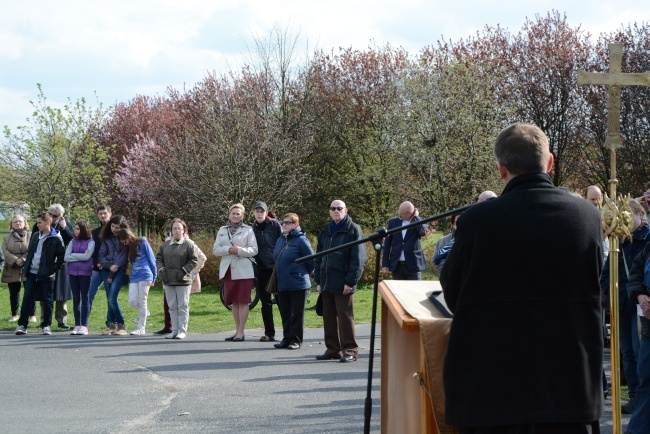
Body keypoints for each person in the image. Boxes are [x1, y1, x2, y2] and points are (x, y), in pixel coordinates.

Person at [440, 123, 603, 432]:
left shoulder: (476, 219)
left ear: (501, 169)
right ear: (550, 162)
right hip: (568, 385)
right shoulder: (587, 216)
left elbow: (453, 292)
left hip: (493, 388)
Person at [601, 199, 650, 414]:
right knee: (627, 353)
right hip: (622, 304)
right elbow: (606, 273)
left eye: (630, 216)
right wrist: (609, 294)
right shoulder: (618, 242)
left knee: (641, 354)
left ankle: (643, 397)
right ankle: (633, 396)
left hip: (639, 306)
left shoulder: (646, 239)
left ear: (641, 215)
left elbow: (640, 272)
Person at [314, 200, 366, 363]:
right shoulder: (326, 230)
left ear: (346, 211)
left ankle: (350, 350)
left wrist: (350, 282)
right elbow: (318, 256)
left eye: (339, 208)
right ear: (329, 211)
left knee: (345, 316)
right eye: (333, 208)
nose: (336, 211)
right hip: (327, 281)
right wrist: (319, 280)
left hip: (343, 281)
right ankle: (333, 349)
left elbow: (358, 259)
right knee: (328, 316)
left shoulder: (353, 229)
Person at [213, 204, 258, 342]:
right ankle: (236, 330)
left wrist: (239, 250)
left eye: (238, 213)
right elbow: (216, 250)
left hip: (244, 269)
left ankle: (241, 332)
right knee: (233, 302)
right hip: (228, 269)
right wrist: (229, 249)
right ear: (229, 214)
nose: (235, 215)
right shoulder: (222, 230)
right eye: (233, 213)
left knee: (243, 301)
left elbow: (254, 250)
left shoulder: (248, 230)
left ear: (243, 216)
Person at [15, 212, 65, 335]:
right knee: (27, 299)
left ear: (48, 222)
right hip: (31, 273)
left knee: (47, 300)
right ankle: (22, 325)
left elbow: (61, 259)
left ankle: (46, 325)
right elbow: (31, 252)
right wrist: (27, 266)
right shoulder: (36, 235)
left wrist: (50, 270)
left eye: (39, 223)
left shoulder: (56, 238)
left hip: (46, 275)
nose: (37, 225)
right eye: (37, 222)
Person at [272, 213, 315, 350]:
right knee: (285, 312)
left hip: (298, 283)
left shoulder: (301, 240)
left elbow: (311, 261)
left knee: (297, 314)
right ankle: (286, 338)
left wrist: (300, 273)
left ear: (295, 225)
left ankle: (296, 340)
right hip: (282, 282)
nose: (284, 224)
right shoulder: (280, 239)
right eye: (282, 222)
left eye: (288, 222)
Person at [153, 233, 205, 335]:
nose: (176, 231)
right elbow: (159, 258)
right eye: (174, 229)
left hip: (183, 279)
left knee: (182, 304)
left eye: (179, 228)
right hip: (169, 279)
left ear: (183, 231)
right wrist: (162, 271)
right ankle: (171, 328)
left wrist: (192, 272)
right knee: (169, 304)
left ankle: (181, 330)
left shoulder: (189, 244)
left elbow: (201, 258)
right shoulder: (167, 243)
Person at [625, 240, 650, 434]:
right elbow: (635, 275)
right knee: (646, 381)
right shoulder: (648, 247)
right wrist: (640, 296)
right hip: (649, 330)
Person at [251, 201, 282, 341]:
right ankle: (269, 333)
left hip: (276, 268)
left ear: (266, 212)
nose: (259, 213)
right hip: (262, 268)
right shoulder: (252, 228)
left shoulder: (275, 225)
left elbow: (282, 242)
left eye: (261, 211)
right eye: (257, 211)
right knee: (265, 302)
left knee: (282, 301)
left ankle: (288, 332)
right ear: (253, 213)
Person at [117, 228, 157, 336]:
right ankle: (145, 312)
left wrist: (154, 276)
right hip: (134, 276)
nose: (123, 243)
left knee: (143, 301)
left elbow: (152, 259)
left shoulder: (142, 242)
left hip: (145, 274)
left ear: (128, 236)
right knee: (132, 301)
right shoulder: (129, 248)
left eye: (123, 240)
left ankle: (141, 328)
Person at [40, 204, 74, 329]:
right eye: (51, 214)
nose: (53, 217)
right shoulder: (41, 224)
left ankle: (62, 320)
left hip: (61, 263)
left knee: (61, 292)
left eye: (56, 215)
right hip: (45, 262)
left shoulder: (66, 225)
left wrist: (64, 228)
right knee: (45, 292)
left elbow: (71, 241)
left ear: (61, 216)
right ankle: (44, 319)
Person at [2, 214, 37, 323]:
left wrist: (23, 259)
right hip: (12, 267)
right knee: (14, 292)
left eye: (20, 221)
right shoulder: (6, 238)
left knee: (30, 291)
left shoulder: (32, 235)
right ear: (11, 224)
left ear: (25, 222)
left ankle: (32, 315)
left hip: (28, 267)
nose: (18, 223)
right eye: (15, 221)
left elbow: (33, 248)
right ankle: (15, 314)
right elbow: (4, 250)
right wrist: (15, 260)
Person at [381, 201, 428, 280]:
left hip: (413, 265)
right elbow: (387, 244)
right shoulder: (393, 222)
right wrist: (385, 264)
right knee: (397, 292)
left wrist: (416, 217)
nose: (400, 215)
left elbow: (423, 233)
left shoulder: (417, 222)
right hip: (397, 265)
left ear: (410, 213)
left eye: (402, 213)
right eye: (399, 212)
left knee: (415, 291)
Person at [99, 215, 129, 335]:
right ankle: (112, 325)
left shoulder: (124, 239)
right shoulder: (106, 239)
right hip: (107, 270)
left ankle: (121, 326)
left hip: (119, 271)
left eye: (117, 227)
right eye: (113, 226)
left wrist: (114, 267)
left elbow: (123, 256)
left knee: (112, 298)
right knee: (109, 298)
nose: (114, 229)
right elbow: (101, 256)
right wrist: (109, 266)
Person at [64, 220, 95, 335]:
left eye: (78, 229)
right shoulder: (72, 241)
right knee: (76, 298)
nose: (75, 231)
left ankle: (84, 325)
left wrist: (74, 255)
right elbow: (66, 257)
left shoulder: (91, 242)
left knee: (85, 298)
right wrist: (80, 256)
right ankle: (77, 324)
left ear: (84, 229)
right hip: (72, 273)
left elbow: (87, 257)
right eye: (75, 229)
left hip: (85, 273)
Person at [88, 205, 112, 322]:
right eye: (100, 214)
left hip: (110, 269)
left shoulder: (115, 231)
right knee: (88, 295)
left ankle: (111, 322)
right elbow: (91, 250)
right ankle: (83, 322)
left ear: (110, 214)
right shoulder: (94, 232)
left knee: (110, 297)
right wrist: (96, 262)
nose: (103, 216)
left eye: (105, 213)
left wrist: (107, 264)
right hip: (96, 269)